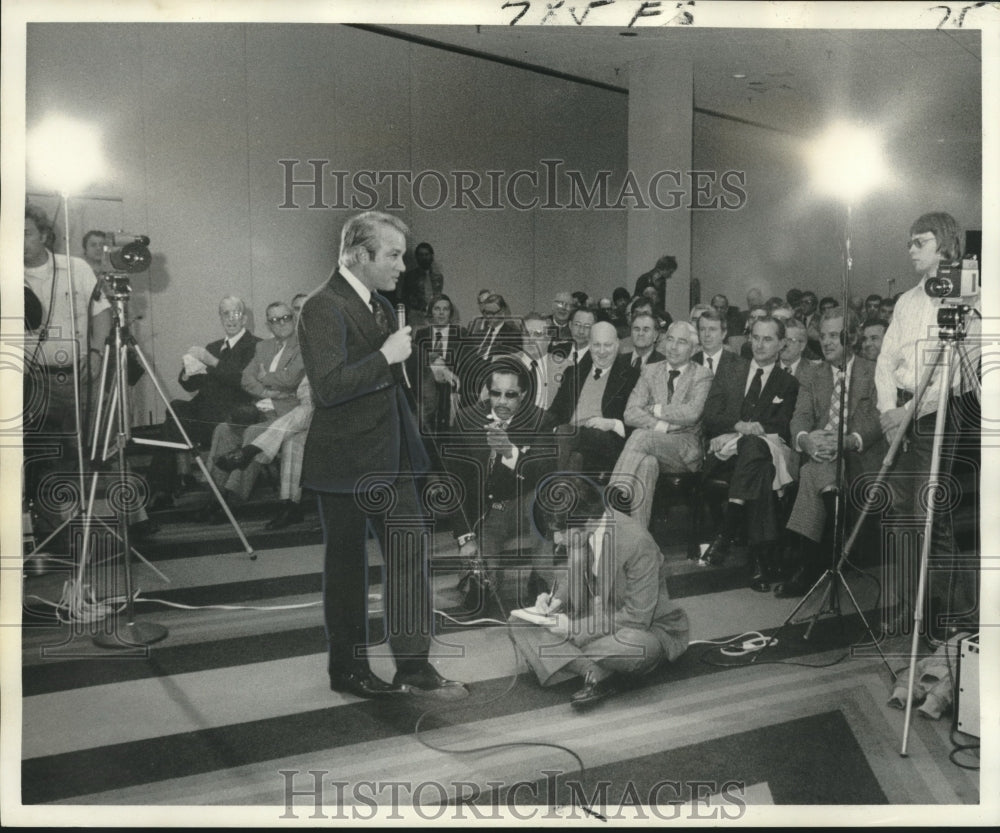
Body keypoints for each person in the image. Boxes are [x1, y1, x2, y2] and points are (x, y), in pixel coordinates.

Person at [297, 210, 465, 699]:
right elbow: (327, 388)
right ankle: (346, 670)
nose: (402, 266)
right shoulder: (321, 307)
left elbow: (393, 392)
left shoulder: (383, 308)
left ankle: (413, 665)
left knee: (412, 558)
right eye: (392, 255)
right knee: (347, 568)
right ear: (360, 255)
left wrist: (417, 450)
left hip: (392, 460)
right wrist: (385, 357)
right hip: (345, 464)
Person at [874, 211, 979, 626]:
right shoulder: (906, 301)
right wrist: (887, 413)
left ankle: (945, 611)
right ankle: (908, 604)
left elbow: (949, 372)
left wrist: (907, 411)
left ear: (946, 246)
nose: (911, 250)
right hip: (899, 417)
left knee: (935, 517)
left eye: (921, 242)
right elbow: (885, 361)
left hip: (939, 416)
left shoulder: (969, 301)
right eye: (910, 242)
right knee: (902, 516)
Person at [508, 476, 689, 710]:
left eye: (562, 530)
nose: (556, 539)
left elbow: (637, 618)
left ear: (591, 520)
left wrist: (573, 630)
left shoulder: (637, 543)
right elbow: (573, 578)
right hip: (595, 621)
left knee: (633, 646)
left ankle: (566, 659)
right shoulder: (582, 534)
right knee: (517, 623)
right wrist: (555, 601)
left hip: (643, 628)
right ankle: (596, 672)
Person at [773, 309, 884, 598]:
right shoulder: (812, 375)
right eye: (823, 336)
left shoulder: (873, 371)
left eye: (834, 335)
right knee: (817, 467)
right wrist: (806, 441)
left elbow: (877, 419)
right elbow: (800, 417)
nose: (827, 342)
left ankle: (809, 563)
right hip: (821, 454)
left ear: (852, 337)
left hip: (859, 455)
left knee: (812, 472)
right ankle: (828, 555)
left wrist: (845, 441)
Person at [445, 361, 557, 607]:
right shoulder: (465, 420)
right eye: (496, 393)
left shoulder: (541, 420)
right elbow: (453, 481)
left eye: (511, 395)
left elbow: (545, 470)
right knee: (480, 596)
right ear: (487, 391)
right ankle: (484, 577)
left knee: (545, 497)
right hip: (487, 512)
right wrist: (465, 537)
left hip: (526, 503)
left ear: (524, 394)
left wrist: (509, 452)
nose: (502, 401)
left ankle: (541, 578)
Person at [701, 316, 799, 590]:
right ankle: (762, 559)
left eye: (768, 339)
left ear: (781, 343)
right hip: (726, 457)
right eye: (755, 337)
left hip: (760, 452)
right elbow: (710, 415)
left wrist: (747, 435)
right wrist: (737, 426)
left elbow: (782, 427)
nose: (759, 344)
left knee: (755, 448)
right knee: (761, 470)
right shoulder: (731, 370)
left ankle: (729, 529)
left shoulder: (787, 383)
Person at [146, 296, 260, 509]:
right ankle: (172, 482)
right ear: (220, 318)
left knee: (175, 422)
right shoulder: (214, 346)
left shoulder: (255, 346)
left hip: (232, 413)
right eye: (225, 313)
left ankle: (170, 483)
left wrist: (210, 361)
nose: (230, 318)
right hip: (205, 410)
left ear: (244, 319)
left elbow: (243, 380)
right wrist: (188, 371)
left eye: (235, 313)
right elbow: (191, 386)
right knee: (176, 408)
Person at [197, 301, 305, 519]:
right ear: (268, 324)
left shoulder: (304, 346)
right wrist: (268, 392)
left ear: (293, 319)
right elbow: (246, 379)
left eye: (285, 318)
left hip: (287, 416)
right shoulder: (263, 347)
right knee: (224, 430)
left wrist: (265, 378)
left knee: (253, 433)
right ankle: (216, 497)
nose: (280, 323)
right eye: (274, 320)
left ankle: (232, 499)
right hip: (261, 410)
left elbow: (292, 378)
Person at [610, 321, 712, 530]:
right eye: (670, 339)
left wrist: (655, 409)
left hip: (685, 449)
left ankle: (613, 501)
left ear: (693, 349)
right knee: (646, 463)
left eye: (681, 342)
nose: (673, 347)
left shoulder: (702, 375)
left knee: (640, 436)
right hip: (654, 445)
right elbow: (630, 413)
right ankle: (639, 537)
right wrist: (663, 427)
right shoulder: (650, 371)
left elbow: (692, 414)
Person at [550, 321, 641, 476]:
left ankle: (550, 490)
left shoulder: (633, 376)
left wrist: (612, 424)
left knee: (566, 433)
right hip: (570, 438)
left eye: (608, 345)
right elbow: (555, 411)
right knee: (574, 455)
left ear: (617, 345)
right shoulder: (573, 373)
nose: (602, 351)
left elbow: (638, 421)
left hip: (604, 439)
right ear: (590, 345)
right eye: (597, 345)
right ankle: (563, 489)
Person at [409, 293, 464, 435]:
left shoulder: (461, 334)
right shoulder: (421, 334)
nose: (441, 313)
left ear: (450, 313)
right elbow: (415, 363)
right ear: (431, 312)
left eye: (445, 309)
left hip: (451, 389)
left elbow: (464, 364)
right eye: (437, 309)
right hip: (426, 390)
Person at [518, 311, 563, 411]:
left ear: (548, 339)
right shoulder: (505, 363)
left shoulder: (566, 367)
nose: (530, 340)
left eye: (537, 334)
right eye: (526, 334)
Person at [399, 241, 444, 328]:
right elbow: (404, 298)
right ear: (417, 257)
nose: (424, 258)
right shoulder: (410, 276)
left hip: (433, 316)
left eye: (426, 254)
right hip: (416, 316)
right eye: (421, 255)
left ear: (432, 256)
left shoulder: (438, 277)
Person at [692, 309, 736, 377]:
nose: (707, 334)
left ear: (723, 334)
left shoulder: (738, 365)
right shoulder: (690, 363)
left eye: (712, 329)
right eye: (702, 329)